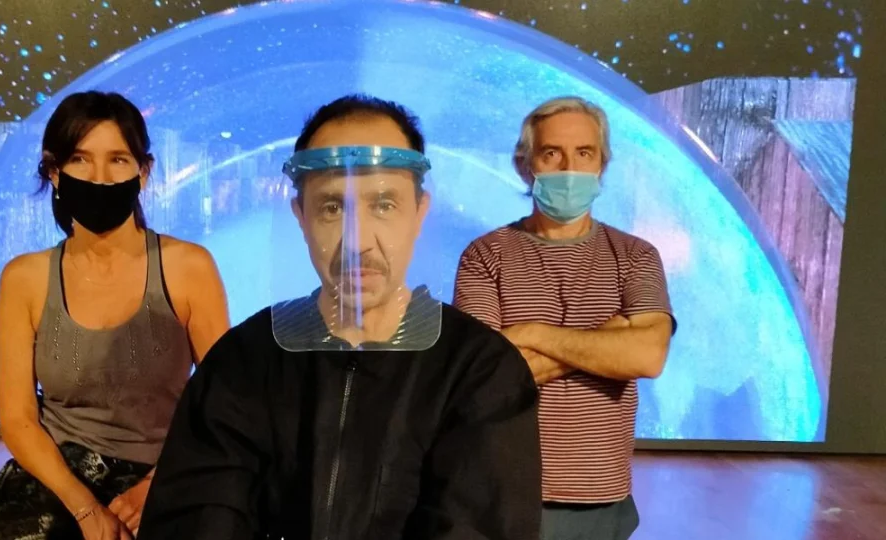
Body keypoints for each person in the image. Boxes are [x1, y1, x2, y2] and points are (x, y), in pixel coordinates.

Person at [137, 94, 542, 539]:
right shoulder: (244, 362)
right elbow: (199, 519)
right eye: (332, 207)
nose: (357, 241)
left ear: (419, 212)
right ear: (301, 216)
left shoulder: (478, 370)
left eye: (384, 204)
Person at [0, 91, 231, 540]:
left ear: (144, 172)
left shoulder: (189, 267)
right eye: (80, 160)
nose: (100, 178)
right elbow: (18, 419)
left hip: (168, 469)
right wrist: (85, 509)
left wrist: (159, 484)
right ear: (55, 173)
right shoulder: (24, 278)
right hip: (59, 477)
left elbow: (224, 399)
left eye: (118, 160)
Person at [453, 96, 676, 540]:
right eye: (552, 153)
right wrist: (607, 340)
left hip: (602, 498)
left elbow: (648, 356)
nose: (569, 169)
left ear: (602, 164)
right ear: (525, 166)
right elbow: (487, 379)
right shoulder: (485, 256)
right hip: (503, 490)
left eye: (584, 153)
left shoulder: (635, 257)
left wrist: (530, 334)